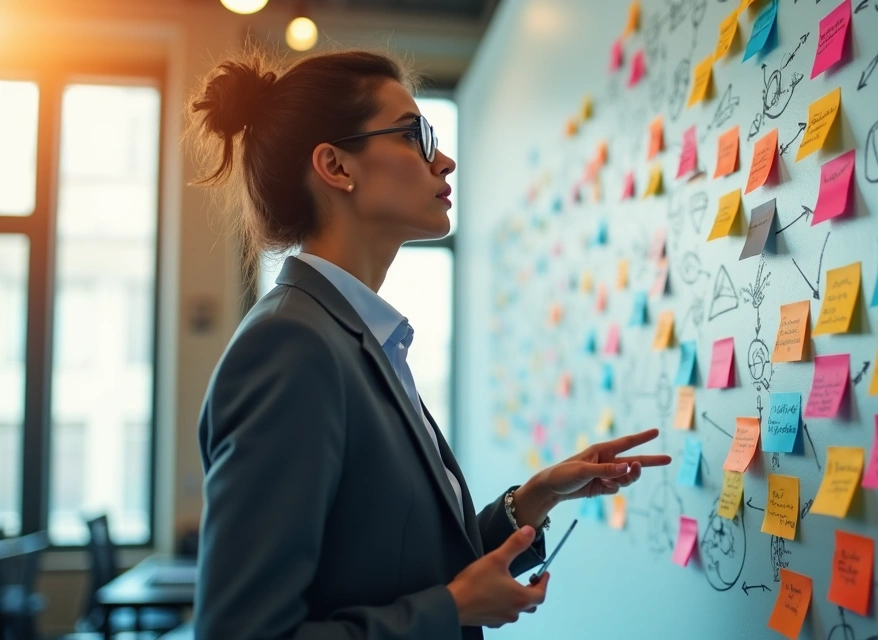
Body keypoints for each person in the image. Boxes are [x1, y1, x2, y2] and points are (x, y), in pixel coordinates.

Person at [188, 48, 671, 640]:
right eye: (417, 135)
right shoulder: (291, 345)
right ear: (336, 166)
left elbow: (395, 567)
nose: (444, 160)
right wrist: (450, 609)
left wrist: (532, 499)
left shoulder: (353, 336)